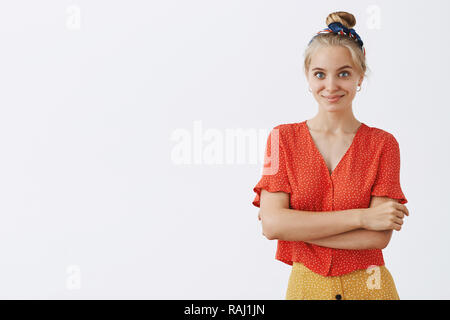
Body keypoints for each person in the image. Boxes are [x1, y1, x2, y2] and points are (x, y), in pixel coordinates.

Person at [251, 11, 409, 300]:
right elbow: (273, 226)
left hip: (372, 289)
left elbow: (378, 237)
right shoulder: (281, 139)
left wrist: (294, 226)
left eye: (344, 73)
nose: (331, 86)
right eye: (320, 74)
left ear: (360, 76)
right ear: (308, 77)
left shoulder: (384, 145)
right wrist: (363, 216)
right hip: (306, 288)